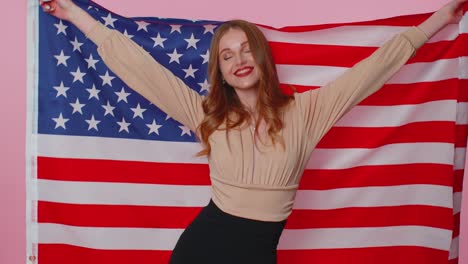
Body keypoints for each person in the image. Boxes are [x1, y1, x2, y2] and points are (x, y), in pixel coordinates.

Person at [40, 0, 466, 263]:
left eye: (247, 49)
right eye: (227, 56)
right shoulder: (207, 115)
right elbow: (142, 70)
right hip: (201, 249)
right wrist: (73, 13)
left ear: (262, 57)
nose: (239, 60)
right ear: (221, 72)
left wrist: (439, 19)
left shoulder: (309, 110)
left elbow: (375, 70)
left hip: (258, 252)